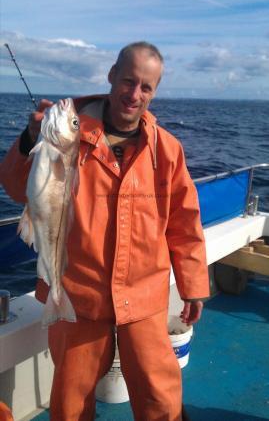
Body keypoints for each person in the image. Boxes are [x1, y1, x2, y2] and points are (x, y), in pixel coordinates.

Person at [0, 42, 209, 421]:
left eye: (146, 87)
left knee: (161, 398)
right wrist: (31, 140)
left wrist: (192, 285)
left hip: (144, 295)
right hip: (78, 295)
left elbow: (184, 223)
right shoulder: (66, 135)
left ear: (155, 91)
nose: (134, 94)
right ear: (112, 76)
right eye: (128, 81)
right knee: (71, 402)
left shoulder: (167, 149)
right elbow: (16, 189)